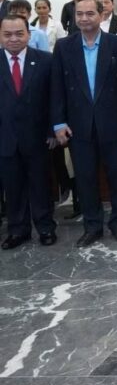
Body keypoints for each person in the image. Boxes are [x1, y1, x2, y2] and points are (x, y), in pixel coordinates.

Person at [51, 0, 117, 247]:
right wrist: (58, 122)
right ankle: (92, 226)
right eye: (79, 14)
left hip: (114, 123)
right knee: (85, 178)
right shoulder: (64, 46)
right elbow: (57, 86)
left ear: (101, 15)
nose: (84, 18)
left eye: (90, 13)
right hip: (78, 125)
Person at [0, 14, 57, 249]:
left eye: (19, 34)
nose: (13, 39)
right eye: (7, 34)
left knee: (41, 185)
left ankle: (45, 227)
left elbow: (54, 99)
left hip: (38, 136)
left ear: (28, 34)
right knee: (13, 187)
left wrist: (52, 130)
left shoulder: (45, 61)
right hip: (5, 137)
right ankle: (17, 230)